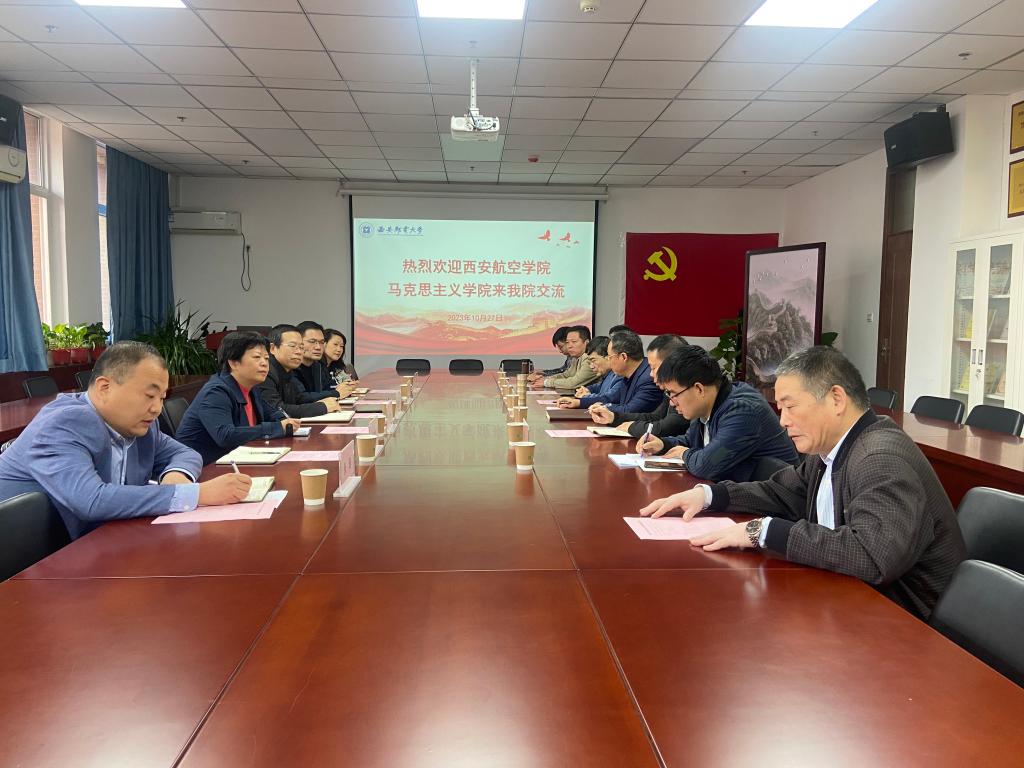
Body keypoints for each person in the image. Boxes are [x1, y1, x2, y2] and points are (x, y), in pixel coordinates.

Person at [639, 346, 966, 620]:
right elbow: (780, 491)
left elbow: (872, 556)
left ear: (836, 399)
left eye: (790, 406)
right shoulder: (832, 449)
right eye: (780, 408)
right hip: (852, 599)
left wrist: (763, 531)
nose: (783, 421)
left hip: (905, 624)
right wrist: (709, 495)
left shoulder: (880, 457)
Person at [0, 342, 253, 539]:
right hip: (33, 565)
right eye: (149, 395)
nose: (157, 409)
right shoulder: (65, 423)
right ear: (104, 388)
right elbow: (92, 500)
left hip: (102, 544)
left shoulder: (139, 425)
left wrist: (176, 475)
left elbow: (185, 454)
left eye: (162, 398)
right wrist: (195, 494)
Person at [637, 344, 798, 481]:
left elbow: (708, 464)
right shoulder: (708, 404)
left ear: (699, 389)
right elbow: (691, 442)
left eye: (673, 394)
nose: (672, 402)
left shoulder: (743, 412)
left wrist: (685, 454)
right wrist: (663, 444)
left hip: (773, 501)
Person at [176, 332, 302, 465]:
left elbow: (272, 414)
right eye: (257, 357)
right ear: (233, 363)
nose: (265, 363)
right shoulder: (215, 392)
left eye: (266, 358)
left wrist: (285, 421)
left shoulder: (251, 388)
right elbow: (225, 436)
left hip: (237, 461)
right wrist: (276, 427)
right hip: (202, 468)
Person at [590, 334, 690, 438]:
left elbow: (666, 427)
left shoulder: (685, 390)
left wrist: (631, 427)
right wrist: (614, 418)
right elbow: (656, 417)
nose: (651, 374)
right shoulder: (669, 390)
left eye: (653, 368)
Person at [258, 324, 341, 419]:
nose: (298, 352)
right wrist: (322, 407)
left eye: (301, 347)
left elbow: (298, 399)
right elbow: (276, 410)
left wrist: (323, 403)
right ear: (273, 348)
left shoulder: (289, 370)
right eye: (292, 346)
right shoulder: (265, 371)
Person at [294, 320, 354, 400]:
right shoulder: (291, 366)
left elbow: (327, 388)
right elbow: (300, 398)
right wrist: (336, 393)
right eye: (312, 341)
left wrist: (344, 388)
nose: (318, 347)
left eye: (321, 342)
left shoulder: (317, 366)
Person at [557, 336, 622, 409]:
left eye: (593, 360)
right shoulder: (608, 374)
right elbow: (599, 387)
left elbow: (609, 398)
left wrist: (584, 397)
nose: (591, 366)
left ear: (608, 357)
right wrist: (586, 389)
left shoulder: (620, 375)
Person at [540, 325, 598, 395]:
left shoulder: (590, 359)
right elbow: (566, 375)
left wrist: (547, 382)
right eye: (567, 342)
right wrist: (546, 379)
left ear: (586, 342)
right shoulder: (577, 358)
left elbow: (573, 383)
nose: (569, 346)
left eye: (574, 342)